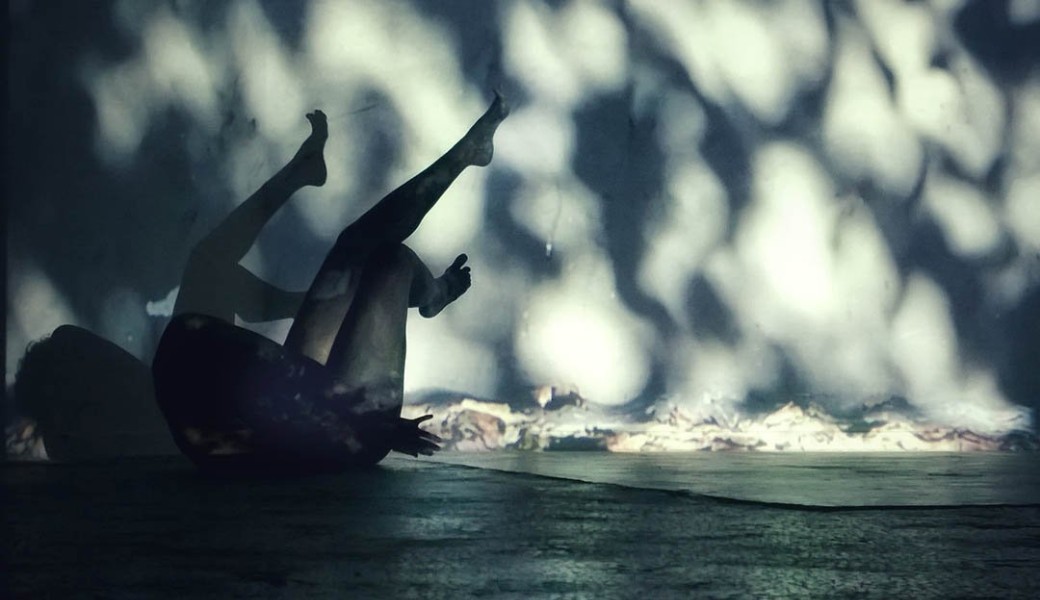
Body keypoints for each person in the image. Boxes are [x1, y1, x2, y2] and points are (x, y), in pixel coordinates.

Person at [151, 93, 510, 474]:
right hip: (350, 433)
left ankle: (466, 156)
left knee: (356, 244)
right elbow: (284, 426)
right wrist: (380, 428)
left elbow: (287, 381)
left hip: (319, 412)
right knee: (392, 262)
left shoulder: (193, 345)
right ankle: (434, 293)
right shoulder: (199, 367)